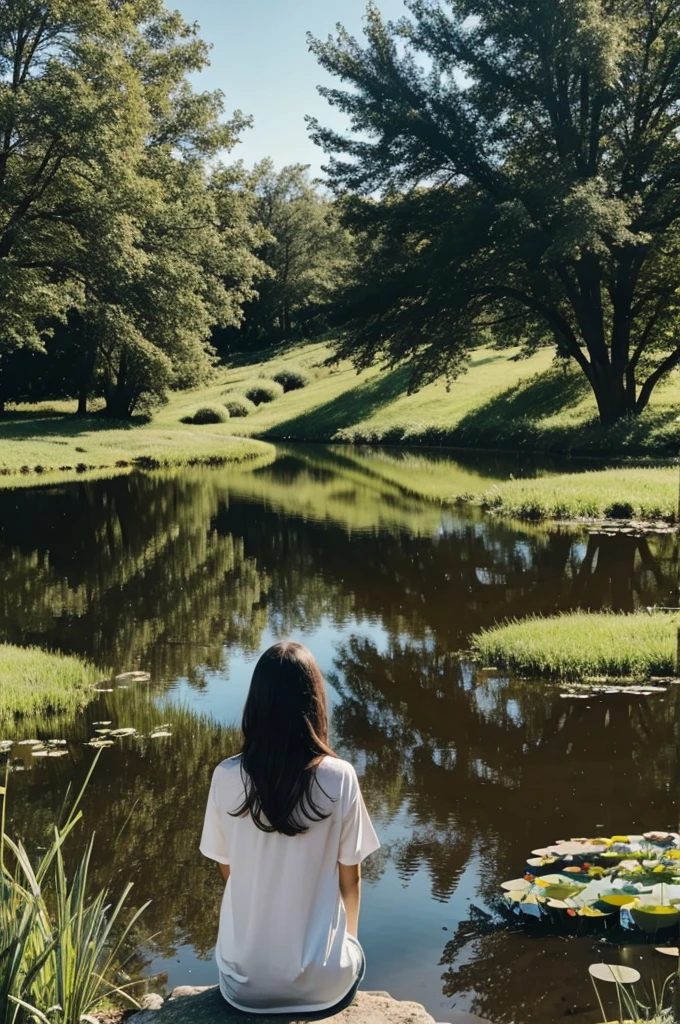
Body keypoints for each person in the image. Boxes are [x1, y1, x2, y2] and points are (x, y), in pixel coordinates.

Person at [200, 640, 380, 1015]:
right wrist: (347, 944)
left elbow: (228, 870)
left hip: (243, 986)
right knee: (353, 953)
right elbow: (351, 880)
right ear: (314, 702)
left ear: (257, 704)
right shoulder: (340, 777)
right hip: (324, 986)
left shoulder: (225, 776)